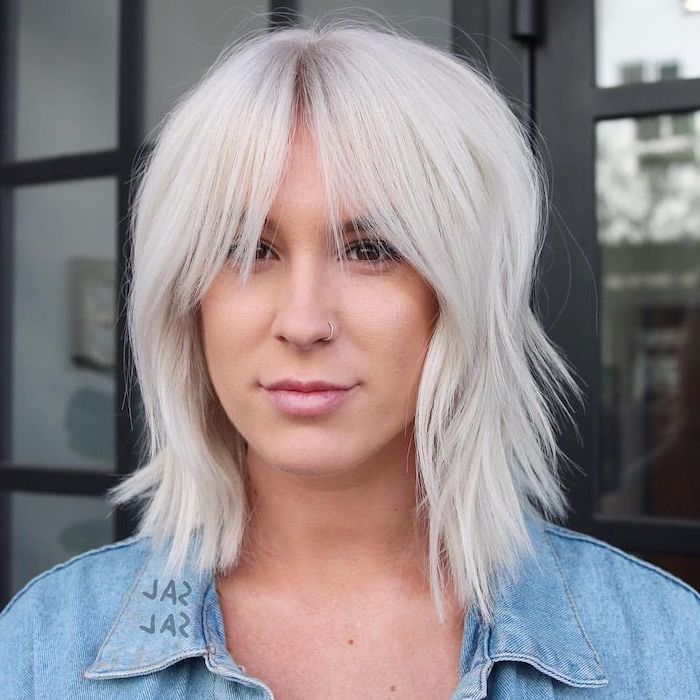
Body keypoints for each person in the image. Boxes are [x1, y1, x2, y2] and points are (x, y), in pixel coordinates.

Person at [1, 13, 698, 700]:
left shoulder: (662, 647)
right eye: (248, 249)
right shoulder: (43, 646)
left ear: (459, 294)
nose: (304, 322)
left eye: (370, 249)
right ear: (188, 301)